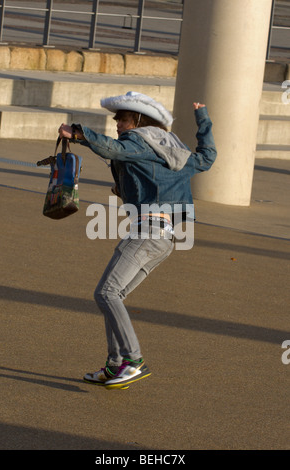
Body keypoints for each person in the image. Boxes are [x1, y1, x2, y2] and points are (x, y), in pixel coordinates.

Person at [58, 91, 217, 389]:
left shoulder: (138, 140)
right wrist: (202, 117)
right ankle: (116, 364)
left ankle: (133, 361)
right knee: (111, 295)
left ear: (139, 120)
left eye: (123, 118)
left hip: (149, 232)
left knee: (106, 293)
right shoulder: (172, 149)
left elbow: (111, 149)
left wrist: (78, 133)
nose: (118, 123)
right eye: (118, 119)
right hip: (165, 237)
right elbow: (207, 157)